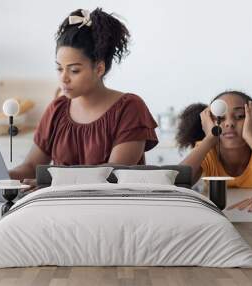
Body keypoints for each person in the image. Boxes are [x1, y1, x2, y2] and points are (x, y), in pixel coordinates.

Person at [9, 8, 158, 186]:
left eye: (74, 70)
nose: (63, 77)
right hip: (60, 209)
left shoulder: (130, 108)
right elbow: (31, 166)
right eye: (59, 68)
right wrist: (1, 176)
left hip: (114, 208)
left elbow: (114, 174)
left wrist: (51, 183)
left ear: (99, 68)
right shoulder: (57, 109)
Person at [176, 90, 252, 212]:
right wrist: (209, 138)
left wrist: (251, 137)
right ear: (207, 123)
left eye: (240, 116)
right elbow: (174, 184)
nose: (229, 123)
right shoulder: (206, 149)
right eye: (220, 118)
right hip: (220, 216)